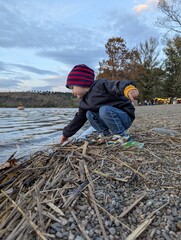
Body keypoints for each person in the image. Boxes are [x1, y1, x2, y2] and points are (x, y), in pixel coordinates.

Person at [60, 64, 139, 145]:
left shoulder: (100, 85)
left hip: (124, 117)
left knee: (104, 109)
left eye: (72, 88)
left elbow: (116, 85)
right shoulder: (84, 103)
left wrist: (128, 89)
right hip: (110, 120)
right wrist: (66, 134)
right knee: (89, 113)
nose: (72, 92)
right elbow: (78, 120)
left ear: (82, 82)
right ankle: (105, 135)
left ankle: (122, 135)